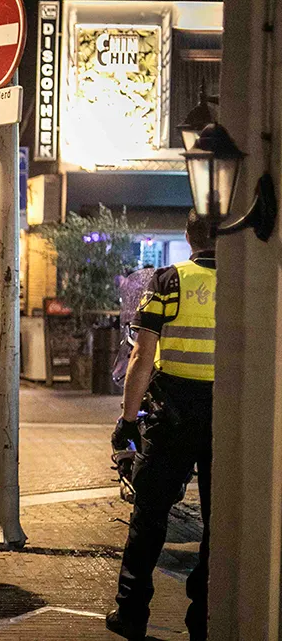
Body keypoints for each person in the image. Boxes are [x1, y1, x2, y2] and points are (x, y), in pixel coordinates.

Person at [107, 210, 216, 640]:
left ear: (189, 238)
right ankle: (203, 617)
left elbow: (141, 356)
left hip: (173, 414)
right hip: (228, 415)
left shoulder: (168, 280)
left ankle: (131, 614)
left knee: (149, 515)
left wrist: (128, 420)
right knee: (219, 520)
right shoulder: (246, 279)